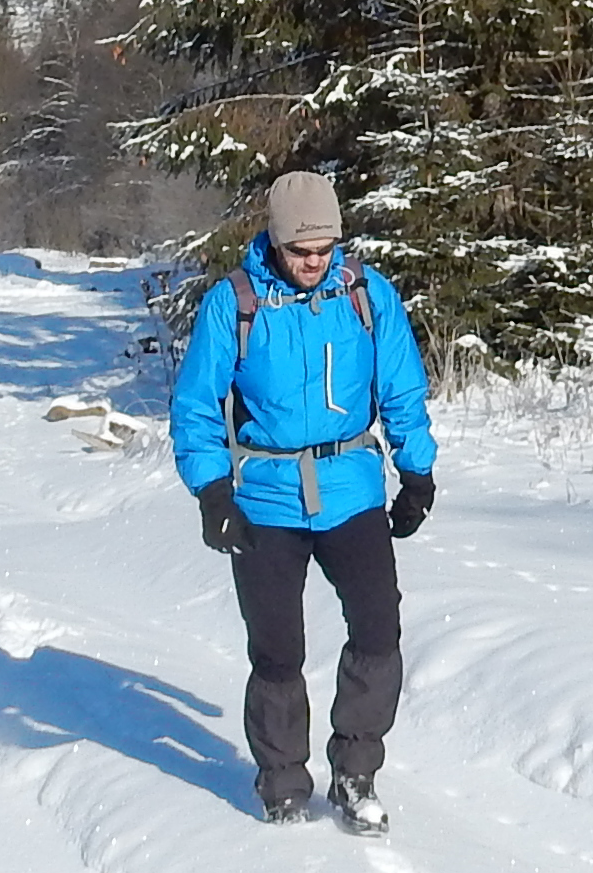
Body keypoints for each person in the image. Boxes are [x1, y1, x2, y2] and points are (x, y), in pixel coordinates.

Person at [172, 167, 437, 832]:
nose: (314, 263)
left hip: (351, 490)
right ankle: (283, 780)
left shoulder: (366, 296)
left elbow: (402, 389)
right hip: (264, 498)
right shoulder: (233, 304)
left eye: (325, 250)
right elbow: (196, 407)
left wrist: (418, 472)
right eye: (301, 252)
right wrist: (212, 492)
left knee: (378, 632)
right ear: (276, 241)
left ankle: (356, 772)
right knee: (278, 650)